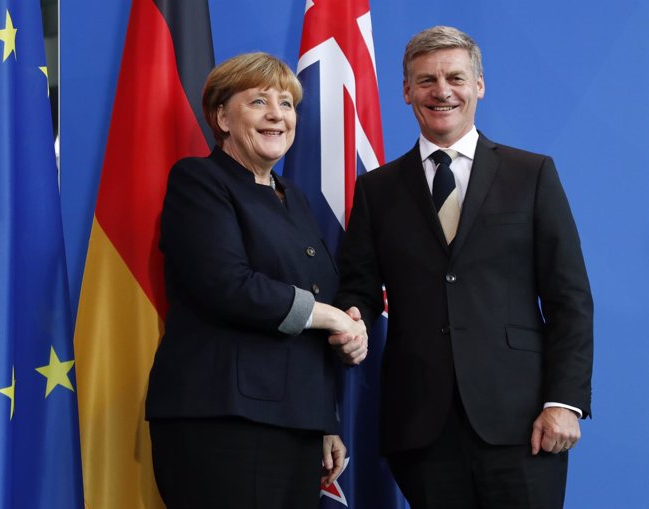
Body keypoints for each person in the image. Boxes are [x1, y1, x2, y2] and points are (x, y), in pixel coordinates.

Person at [332, 26, 593, 508]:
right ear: (407, 90)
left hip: (524, 423)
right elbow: (360, 289)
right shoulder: (378, 190)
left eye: (455, 77)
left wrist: (564, 402)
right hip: (422, 429)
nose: (442, 91)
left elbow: (569, 298)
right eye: (426, 80)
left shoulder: (531, 174)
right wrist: (350, 316)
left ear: (479, 85)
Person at [145, 52, 368, 509]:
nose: (277, 115)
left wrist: (322, 420)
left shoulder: (294, 198)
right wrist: (329, 317)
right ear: (222, 117)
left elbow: (315, 297)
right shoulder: (199, 180)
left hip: (293, 424)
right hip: (222, 419)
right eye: (259, 101)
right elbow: (227, 284)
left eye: (286, 104)